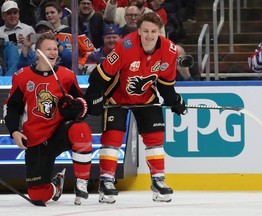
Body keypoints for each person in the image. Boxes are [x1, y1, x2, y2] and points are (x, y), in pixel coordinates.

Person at [85, 12, 187, 204]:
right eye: (146, 31)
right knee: (113, 138)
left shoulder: (169, 50)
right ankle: (106, 181)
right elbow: (100, 75)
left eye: (153, 31)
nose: (149, 35)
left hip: (146, 98)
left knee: (155, 137)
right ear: (139, 31)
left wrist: (174, 100)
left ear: (160, 32)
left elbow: (165, 83)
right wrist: (94, 96)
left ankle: (158, 181)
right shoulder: (125, 46)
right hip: (117, 97)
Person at [3, 33, 92, 205]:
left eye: (55, 49)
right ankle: (55, 186)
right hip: (35, 139)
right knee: (38, 196)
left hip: (58, 132)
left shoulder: (66, 75)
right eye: (48, 49)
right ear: (38, 52)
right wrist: (14, 131)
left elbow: (83, 106)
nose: (53, 52)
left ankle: (82, 182)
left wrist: (77, 108)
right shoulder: (22, 77)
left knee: (80, 129)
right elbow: (11, 108)